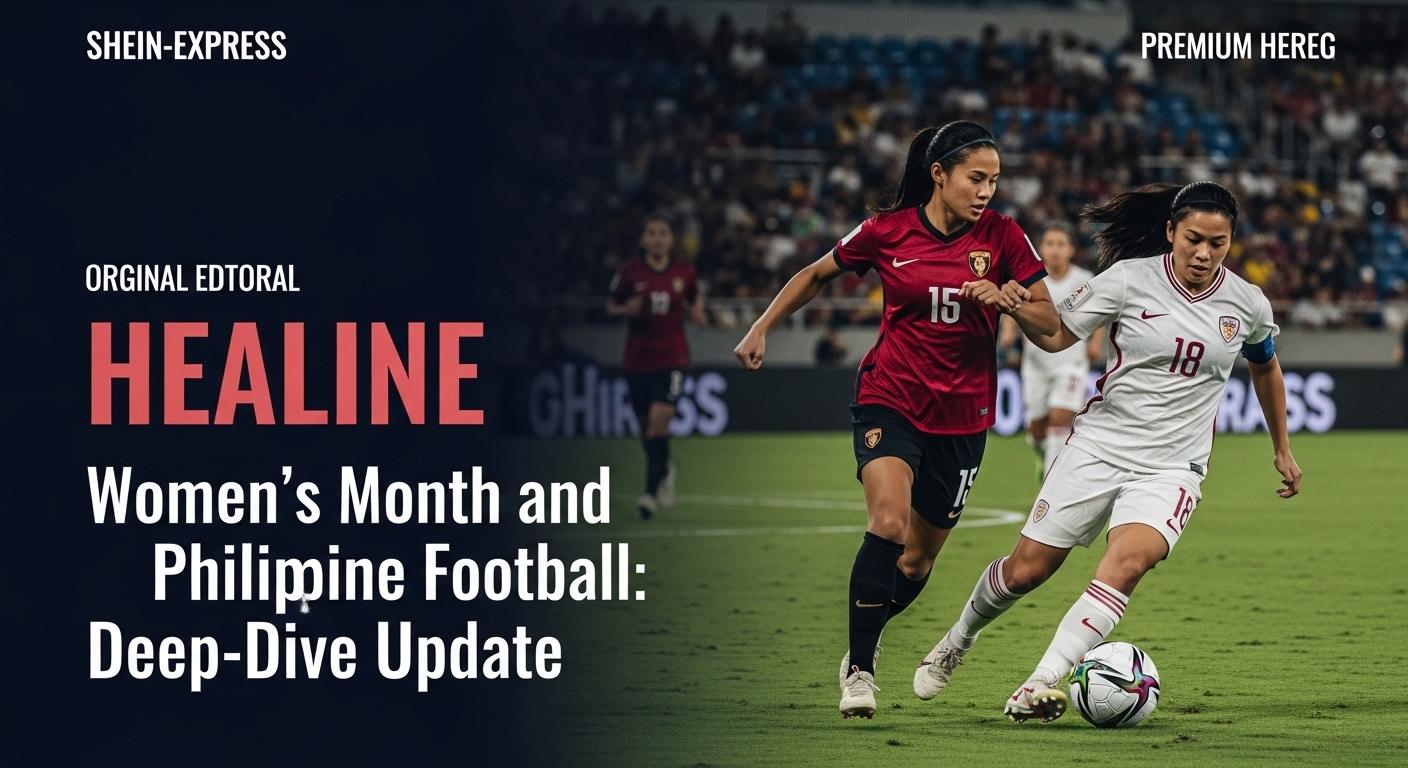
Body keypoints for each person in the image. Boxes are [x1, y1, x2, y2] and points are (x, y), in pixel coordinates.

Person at [910, 181, 1304, 723]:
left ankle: (1040, 682)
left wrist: (1281, 447)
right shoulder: (1127, 280)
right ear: (1170, 232)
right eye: (1193, 239)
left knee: (1128, 563)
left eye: (1218, 243)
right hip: (1099, 446)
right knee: (1027, 571)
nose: (1203, 253)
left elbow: (1266, 366)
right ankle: (958, 639)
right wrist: (1015, 306)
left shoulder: (1248, 303)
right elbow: (1055, 337)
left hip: (1173, 467)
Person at [733, 121, 1060, 719]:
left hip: (963, 417)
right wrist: (761, 326)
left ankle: (869, 628)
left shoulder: (1006, 236)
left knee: (916, 560)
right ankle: (860, 671)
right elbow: (816, 274)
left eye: (994, 180)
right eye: (976, 177)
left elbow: (1050, 323)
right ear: (939, 174)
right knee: (887, 524)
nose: (987, 190)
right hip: (892, 395)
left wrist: (1013, 300)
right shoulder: (887, 231)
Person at [607, 214, 705, 520]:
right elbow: (610, 307)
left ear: (670, 240)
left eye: (663, 233)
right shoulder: (629, 273)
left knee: (658, 424)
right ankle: (664, 468)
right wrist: (625, 309)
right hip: (637, 359)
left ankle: (649, 494)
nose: (658, 238)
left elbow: (695, 300)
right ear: (643, 240)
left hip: (673, 358)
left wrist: (698, 313)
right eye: (652, 233)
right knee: (645, 431)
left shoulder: (684, 272)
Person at [998, 224, 1104, 478]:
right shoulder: (1031, 277)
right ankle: (1041, 453)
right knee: (1037, 428)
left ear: (1070, 250)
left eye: (1061, 244)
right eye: (1050, 243)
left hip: (1071, 360)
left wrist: (1096, 343)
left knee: (1060, 417)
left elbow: (1100, 313)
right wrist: (1008, 331)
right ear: (1041, 248)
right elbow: (1015, 305)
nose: (1055, 249)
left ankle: (1051, 481)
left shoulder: (1083, 279)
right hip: (1035, 361)